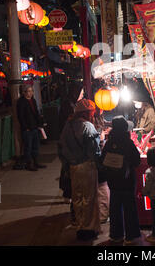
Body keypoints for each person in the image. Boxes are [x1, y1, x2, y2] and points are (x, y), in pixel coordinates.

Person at [59, 99, 101, 241]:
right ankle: (89, 228)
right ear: (87, 113)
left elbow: (61, 148)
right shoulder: (87, 126)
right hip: (87, 166)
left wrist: (67, 164)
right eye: (92, 112)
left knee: (77, 197)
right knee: (89, 197)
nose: (93, 115)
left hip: (73, 167)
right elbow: (94, 150)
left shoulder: (68, 126)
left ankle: (80, 226)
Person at [101, 115, 141, 245]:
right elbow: (137, 161)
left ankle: (116, 234)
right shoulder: (128, 142)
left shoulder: (109, 142)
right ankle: (130, 235)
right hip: (127, 180)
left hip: (113, 181)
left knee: (115, 208)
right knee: (130, 208)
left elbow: (102, 160)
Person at [58, 81, 84, 223]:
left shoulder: (72, 104)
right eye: (81, 92)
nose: (82, 95)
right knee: (69, 175)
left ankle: (68, 196)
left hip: (69, 147)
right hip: (69, 147)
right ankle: (68, 197)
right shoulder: (69, 106)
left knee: (70, 175)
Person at [16, 84, 46, 171]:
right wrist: (25, 127)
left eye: (31, 91)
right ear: (24, 92)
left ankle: (36, 162)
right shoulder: (21, 102)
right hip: (27, 129)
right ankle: (29, 164)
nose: (30, 93)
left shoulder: (33, 100)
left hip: (35, 127)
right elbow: (20, 116)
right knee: (28, 147)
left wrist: (39, 124)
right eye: (28, 91)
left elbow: (36, 113)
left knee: (35, 146)